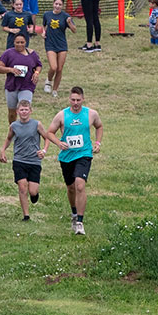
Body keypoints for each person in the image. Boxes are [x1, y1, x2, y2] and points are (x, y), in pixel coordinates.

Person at [43, 87, 103, 235]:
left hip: (84, 154)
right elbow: (49, 132)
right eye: (73, 100)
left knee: (80, 185)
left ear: (83, 99)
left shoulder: (91, 114)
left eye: (78, 100)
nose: (75, 103)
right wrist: (58, 143)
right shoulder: (62, 115)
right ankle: (74, 213)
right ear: (69, 99)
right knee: (71, 188)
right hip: (66, 156)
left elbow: (99, 126)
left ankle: (80, 222)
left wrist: (98, 143)